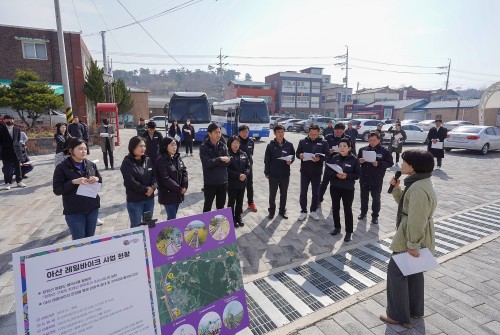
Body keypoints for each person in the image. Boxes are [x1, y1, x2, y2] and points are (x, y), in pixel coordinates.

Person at [380, 149, 437, 329]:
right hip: (415, 235)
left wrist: (413, 244)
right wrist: (397, 190)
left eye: (404, 161)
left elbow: (416, 219)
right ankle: (414, 311)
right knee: (413, 273)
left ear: (412, 167)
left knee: (396, 273)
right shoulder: (420, 182)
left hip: (410, 237)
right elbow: (408, 208)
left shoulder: (419, 188)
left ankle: (397, 316)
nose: (401, 164)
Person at [52, 138, 102, 240]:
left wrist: (96, 179)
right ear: (71, 150)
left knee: (90, 239)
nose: (84, 151)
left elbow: (100, 180)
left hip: (92, 208)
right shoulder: (62, 167)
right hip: (75, 211)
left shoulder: (91, 164)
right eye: (80, 149)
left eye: (85, 149)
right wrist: (73, 182)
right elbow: (57, 190)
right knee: (79, 241)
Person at [328, 138, 361, 242]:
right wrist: (336, 174)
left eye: (344, 146)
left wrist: (347, 175)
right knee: (335, 208)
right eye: (340, 146)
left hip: (348, 189)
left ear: (349, 148)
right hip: (335, 187)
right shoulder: (334, 158)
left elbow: (357, 175)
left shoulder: (354, 160)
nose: (342, 148)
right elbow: (329, 172)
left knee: (347, 209)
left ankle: (348, 231)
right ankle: (337, 227)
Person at [357, 132, 394, 225]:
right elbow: (356, 161)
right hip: (364, 177)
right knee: (364, 197)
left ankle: (375, 216)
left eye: (374, 140)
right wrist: (359, 161)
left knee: (376, 198)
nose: (372, 142)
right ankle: (363, 212)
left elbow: (390, 163)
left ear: (379, 140)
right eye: (370, 140)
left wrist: (379, 163)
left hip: (376, 178)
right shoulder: (363, 149)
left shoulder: (384, 151)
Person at [120, 136, 157, 227]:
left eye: (144, 146)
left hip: (149, 199)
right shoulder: (127, 162)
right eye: (140, 146)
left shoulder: (147, 160)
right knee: (136, 227)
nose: (143, 148)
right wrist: (145, 189)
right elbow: (130, 181)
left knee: (149, 225)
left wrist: (153, 187)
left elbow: (155, 176)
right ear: (133, 147)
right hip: (136, 200)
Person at [295, 123, 329, 221]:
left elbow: (327, 156)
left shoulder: (324, 142)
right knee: (303, 192)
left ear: (319, 132)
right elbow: (297, 153)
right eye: (311, 134)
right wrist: (300, 155)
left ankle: (313, 211)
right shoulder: (302, 141)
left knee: (315, 193)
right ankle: (303, 211)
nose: (313, 136)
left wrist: (319, 158)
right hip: (305, 171)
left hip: (317, 172)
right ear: (308, 132)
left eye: (315, 134)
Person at [264, 124, 295, 219]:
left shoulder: (289, 145)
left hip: (285, 174)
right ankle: (271, 211)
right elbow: (267, 160)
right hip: (273, 173)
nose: (281, 134)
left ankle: (282, 211)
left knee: (284, 193)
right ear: (275, 133)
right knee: (272, 194)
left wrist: (291, 161)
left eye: (282, 132)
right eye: (278, 132)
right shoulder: (270, 145)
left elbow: (293, 155)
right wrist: (267, 172)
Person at [155, 137, 188, 220]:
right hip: (168, 195)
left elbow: (184, 171)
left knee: (172, 218)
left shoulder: (176, 157)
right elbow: (165, 179)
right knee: (172, 219)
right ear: (165, 146)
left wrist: (184, 186)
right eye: (172, 145)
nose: (175, 147)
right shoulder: (161, 160)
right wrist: (179, 188)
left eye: (175, 144)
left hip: (178, 193)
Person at [200, 123, 230, 212]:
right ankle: (205, 224)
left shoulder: (222, 145)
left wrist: (216, 161)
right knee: (207, 206)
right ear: (209, 134)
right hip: (210, 182)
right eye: (216, 132)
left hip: (223, 181)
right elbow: (207, 163)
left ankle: (219, 226)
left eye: (219, 132)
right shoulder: (204, 147)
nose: (218, 134)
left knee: (221, 206)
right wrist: (220, 159)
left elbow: (228, 161)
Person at [319, 122, 351, 203]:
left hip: (342, 164)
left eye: (341, 132)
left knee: (337, 184)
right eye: (337, 131)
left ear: (344, 131)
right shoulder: (328, 137)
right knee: (325, 181)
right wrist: (328, 150)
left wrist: (345, 152)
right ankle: (319, 199)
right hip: (330, 162)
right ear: (334, 130)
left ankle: (335, 202)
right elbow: (322, 149)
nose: (339, 133)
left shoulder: (347, 138)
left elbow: (352, 150)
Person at [227, 136, 251, 227]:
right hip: (232, 183)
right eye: (234, 143)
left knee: (240, 201)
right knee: (231, 201)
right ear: (230, 144)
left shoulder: (243, 154)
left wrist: (245, 174)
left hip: (242, 182)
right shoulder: (227, 154)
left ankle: (238, 216)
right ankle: (230, 217)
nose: (236, 145)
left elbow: (248, 166)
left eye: (238, 143)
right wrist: (238, 175)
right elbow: (227, 169)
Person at [0, 114, 26, 189]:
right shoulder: (1, 129)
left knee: (18, 167)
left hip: (16, 151)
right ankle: (8, 183)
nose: (9, 121)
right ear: (4, 120)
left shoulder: (17, 129)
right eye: (7, 119)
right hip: (6, 151)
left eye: (11, 119)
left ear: (13, 120)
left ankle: (19, 181)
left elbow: (17, 140)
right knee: (7, 168)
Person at [238, 125, 257, 212]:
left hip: (249, 167)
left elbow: (251, 153)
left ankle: (251, 203)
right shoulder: (236, 141)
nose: (245, 134)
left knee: (250, 185)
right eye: (243, 132)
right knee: (239, 187)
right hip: (239, 167)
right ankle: (239, 204)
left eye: (246, 132)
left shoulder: (251, 141)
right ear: (239, 132)